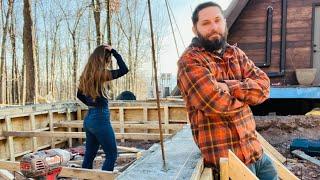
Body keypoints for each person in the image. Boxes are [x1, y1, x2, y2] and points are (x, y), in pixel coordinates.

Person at [177, 2, 278, 179]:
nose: (213, 27)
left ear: (224, 22)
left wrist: (229, 86)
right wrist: (248, 99)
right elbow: (215, 102)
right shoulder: (190, 61)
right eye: (206, 23)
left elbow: (264, 86)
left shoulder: (236, 54)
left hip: (257, 153)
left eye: (217, 20)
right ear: (195, 29)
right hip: (228, 164)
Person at [77, 44, 129, 171]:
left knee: (89, 155)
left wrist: (92, 103)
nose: (108, 62)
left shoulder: (86, 75)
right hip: (100, 118)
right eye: (108, 59)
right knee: (112, 154)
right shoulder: (101, 74)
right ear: (103, 59)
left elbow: (79, 95)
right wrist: (115, 52)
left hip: (89, 118)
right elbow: (124, 69)